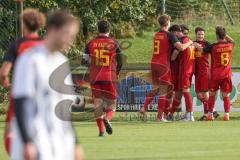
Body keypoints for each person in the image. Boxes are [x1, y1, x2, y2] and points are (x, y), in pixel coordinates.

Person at [11, 10, 83, 160]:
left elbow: (64, 110)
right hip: (34, 141)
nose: (70, 40)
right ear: (52, 30)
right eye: (67, 34)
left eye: (73, 35)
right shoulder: (30, 60)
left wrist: (75, 143)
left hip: (57, 143)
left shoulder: (62, 62)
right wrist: (27, 141)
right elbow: (21, 102)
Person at [0, 8, 45, 155]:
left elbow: (3, 72)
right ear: (39, 25)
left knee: (9, 133)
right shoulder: (46, 45)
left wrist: (5, 83)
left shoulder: (17, 45)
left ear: (23, 25)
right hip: (42, 94)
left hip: (21, 93)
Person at [139, 15, 192, 122]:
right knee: (164, 90)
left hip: (154, 63)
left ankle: (144, 107)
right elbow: (181, 47)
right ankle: (160, 117)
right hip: (163, 65)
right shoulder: (169, 35)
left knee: (155, 88)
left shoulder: (156, 34)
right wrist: (190, 42)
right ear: (168, 23)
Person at [82, 20, 123, 137]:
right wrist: (117, 72)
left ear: (97, 29)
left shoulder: (90, 43)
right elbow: (121, 60)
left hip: (95, 77)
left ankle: (101, 131)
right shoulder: (114, 42)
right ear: (109, 30)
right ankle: (107, 118)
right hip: (110, 76)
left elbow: (84, 62)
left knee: (97, 104)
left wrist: (93, 63)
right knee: (112, 104)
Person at [194, 26, 234, 121]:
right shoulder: (230, 45)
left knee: (212, 94)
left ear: (216, 36)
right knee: (226, 95)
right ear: (224, 35)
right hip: (227, 74)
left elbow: (203, 50)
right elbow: (232, 40)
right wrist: (224, 34)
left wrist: (195, 44)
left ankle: (210, 114)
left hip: (216, 74)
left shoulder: (213, 46)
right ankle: (227, 114)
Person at [194, 27, 219, 121]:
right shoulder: (192, 43)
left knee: (205, 93)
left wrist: (198, 47)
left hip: (205, 71)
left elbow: (210, 52)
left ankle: (207, 113)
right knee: (198, 95)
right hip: (196, 72)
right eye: (199, 34)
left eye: (202, 34)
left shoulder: (207, 44)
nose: (200, 36)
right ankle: (213, 111)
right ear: (196, 34)